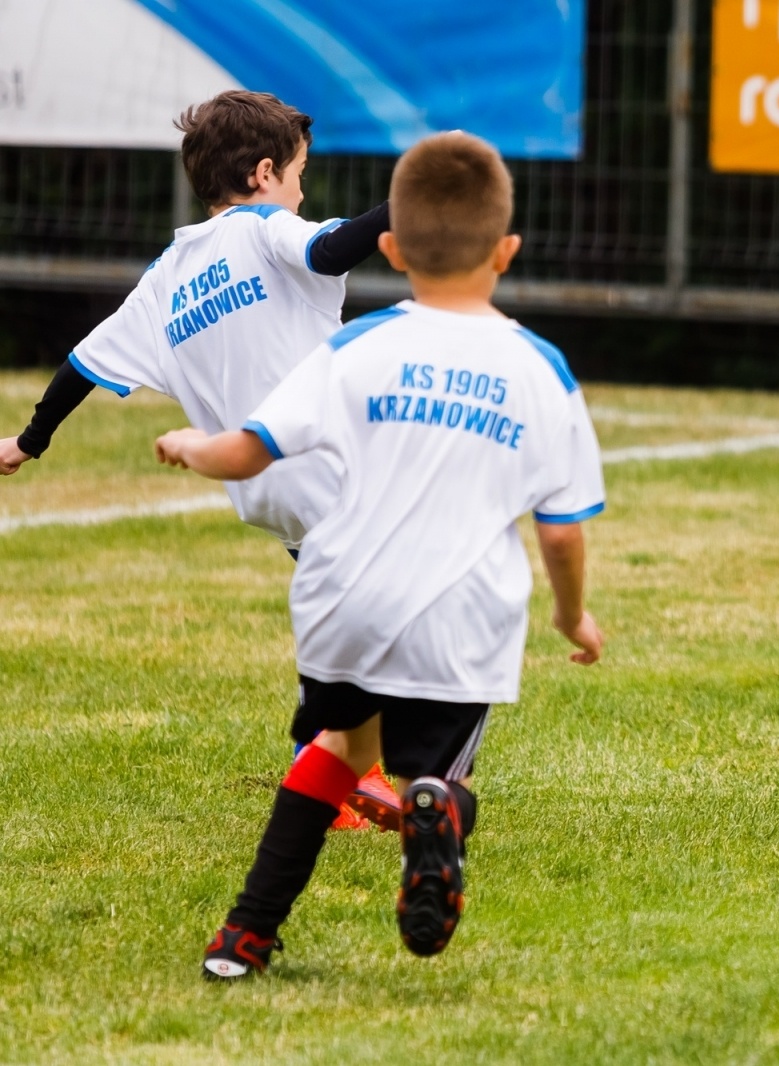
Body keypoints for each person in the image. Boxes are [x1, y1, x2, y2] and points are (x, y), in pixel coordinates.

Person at [154, 130, 606, 979]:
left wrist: (191, 444)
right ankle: (436, 804)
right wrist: (571, 614)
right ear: (507, 250)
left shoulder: (352, 349)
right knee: (434, 770)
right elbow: (561, 528)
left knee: (341, 750)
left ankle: (244, 935)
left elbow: (252, 449)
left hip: (341, 597)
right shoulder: (539, 368)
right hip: (460, 610)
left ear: (391, 249)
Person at [0, 90, 399, 829]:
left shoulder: (168, 274)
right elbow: (329, 248)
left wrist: (27, 442)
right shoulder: (263, 226)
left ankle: (342, 770)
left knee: (356, 613)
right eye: (300, 175)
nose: (303, 191)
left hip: (262, 492)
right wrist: (415, 199)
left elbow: (82, 365)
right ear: (265, 172)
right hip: (331, 465)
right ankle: (330, 748)